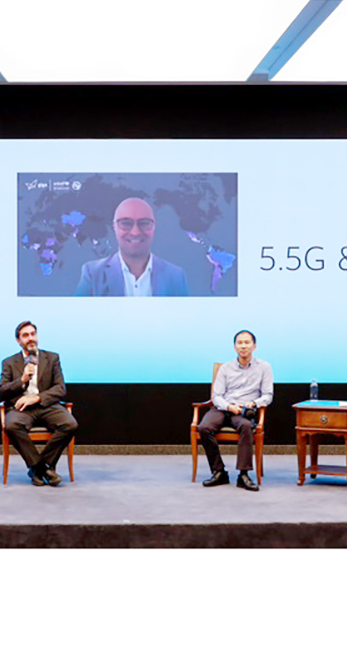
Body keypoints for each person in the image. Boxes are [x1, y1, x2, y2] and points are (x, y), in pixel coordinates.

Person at [0, 320, 78, 487]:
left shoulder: (52, 358)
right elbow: (0, 392)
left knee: (70, 424)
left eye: (33, 334)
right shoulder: (9, 362)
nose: (30, 338)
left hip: (47, 406)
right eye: (25, 335)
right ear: (19, 341)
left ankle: (38, 469)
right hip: (22, 409)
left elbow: (60, 388)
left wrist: (37, 398)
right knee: (11, 426)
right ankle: (43, 468)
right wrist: (21, 380)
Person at [198, 330, 273, 492]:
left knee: (246, 427)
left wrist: (254, 403)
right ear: (234, 347)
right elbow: (216, 396)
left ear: (254, 346)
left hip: (244, 410)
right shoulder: (225, 368)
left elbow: (268, 395)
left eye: (247, 342)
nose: (243, 346)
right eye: (240, 343)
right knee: (203, 428)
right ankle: (219, 472)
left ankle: (243, 475)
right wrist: (228, 406)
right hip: (223, 408)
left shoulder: (264, 367)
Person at [74, 197, 189, 296]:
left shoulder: (175, 276)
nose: (135, 232)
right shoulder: (93, 274)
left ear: (154, 226)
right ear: (114, 227)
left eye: (144, 223)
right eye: (125, 223)